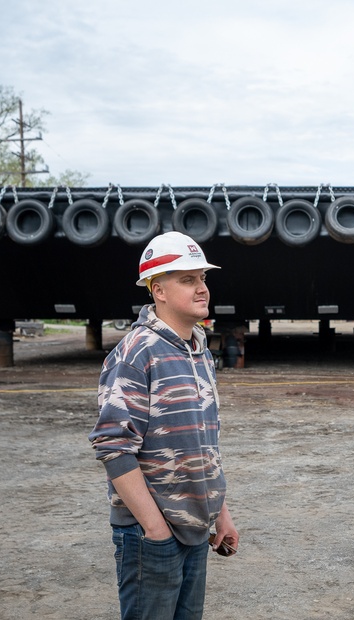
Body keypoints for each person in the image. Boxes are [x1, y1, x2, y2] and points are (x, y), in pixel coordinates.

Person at [89, 231, 239, 620]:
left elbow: (203, 443)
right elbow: (113, 447)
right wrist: (154, 529)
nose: (202, 288)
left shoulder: (199, 351)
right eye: (188, 280)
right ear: (158, 290)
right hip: (150, 535)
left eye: (203, 278)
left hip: (195, 528)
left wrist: (219, 513)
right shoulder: (137, 352)